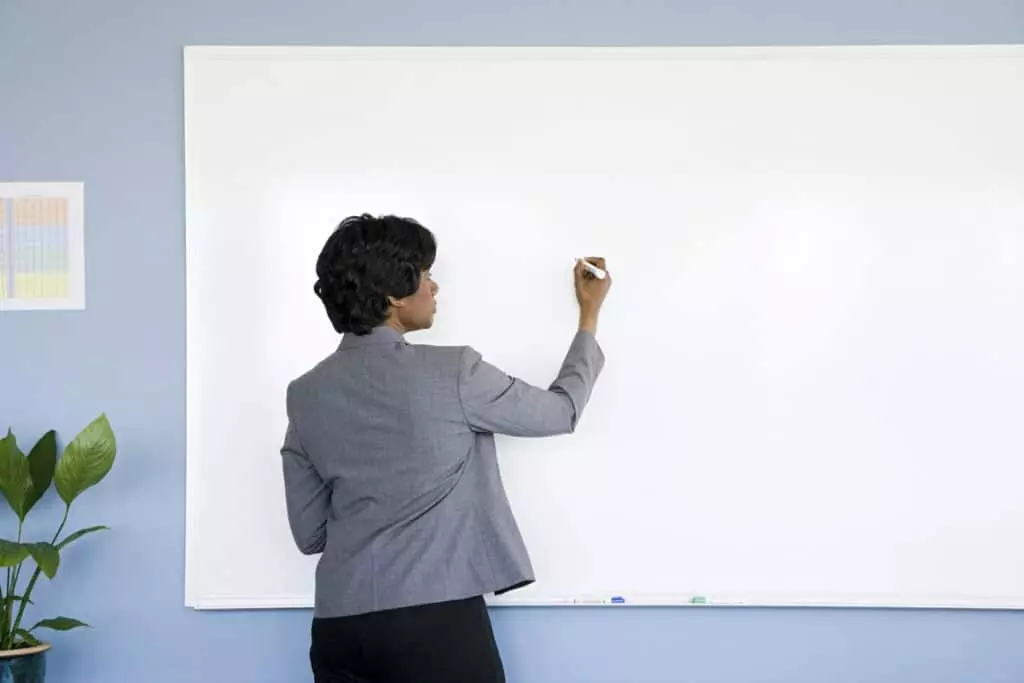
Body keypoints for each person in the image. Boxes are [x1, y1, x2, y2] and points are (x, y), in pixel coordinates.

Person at [280, 213, 611, 683]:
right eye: (427, 274)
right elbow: (562, 412)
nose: (434, 288)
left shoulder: (305, 393)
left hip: (338, 629)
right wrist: (589, 317)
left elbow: (309, 534)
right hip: (432, 628)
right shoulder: (454, 372)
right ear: (394, 294)